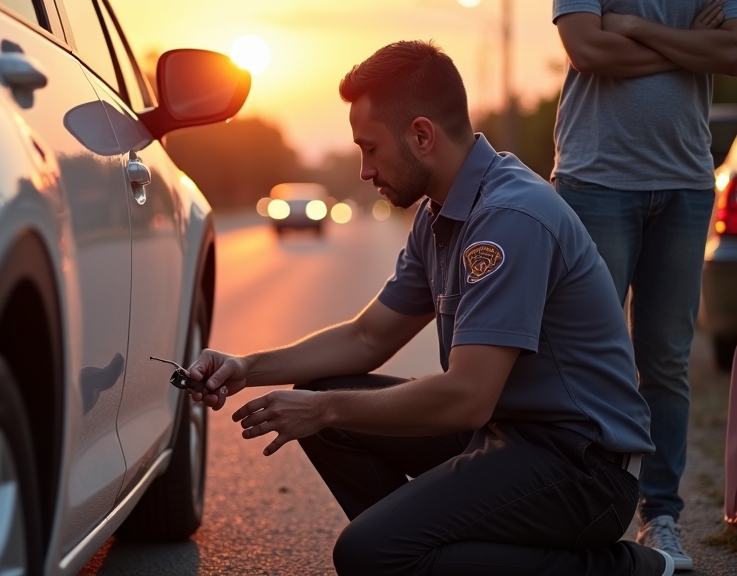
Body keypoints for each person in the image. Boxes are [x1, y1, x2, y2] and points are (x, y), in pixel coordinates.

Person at [187, 40, 673, 576]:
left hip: (582, 468)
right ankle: (421, 554)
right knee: (326, 402)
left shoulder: (510, 216)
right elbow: (366, 338)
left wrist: (323, 412)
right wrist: (246, 368)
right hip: (510, 435)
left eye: (370, 148)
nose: (365, 170)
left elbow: (467, 398)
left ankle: (624, 568)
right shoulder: (439, 214)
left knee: (365, 547)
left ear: (422, 135)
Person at [552, 1, 737, 570]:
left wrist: (632, 29)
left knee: (666, 361)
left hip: (685, 182)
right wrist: (682, 45)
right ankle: (578, 511)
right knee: (584, 360)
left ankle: (660, 517)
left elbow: (731, 53)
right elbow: (586, 49)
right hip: (596, 178)